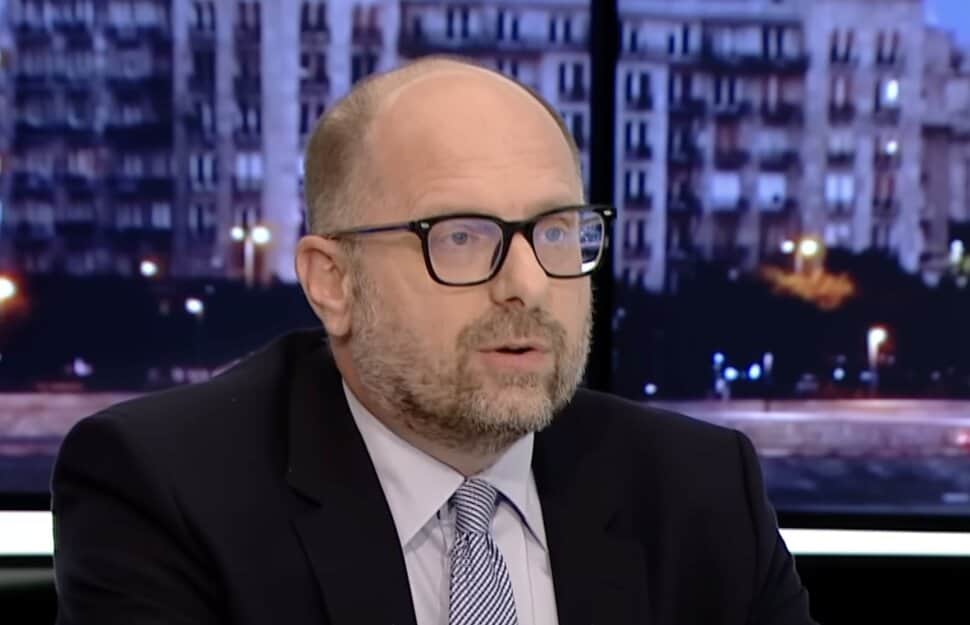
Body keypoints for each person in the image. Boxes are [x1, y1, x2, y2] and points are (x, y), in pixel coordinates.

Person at [51, 56, 817, 625]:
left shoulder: (701, 490)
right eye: (460, 235)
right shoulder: (167, 490)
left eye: (556, 231)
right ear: (332, 282)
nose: (528, 282)